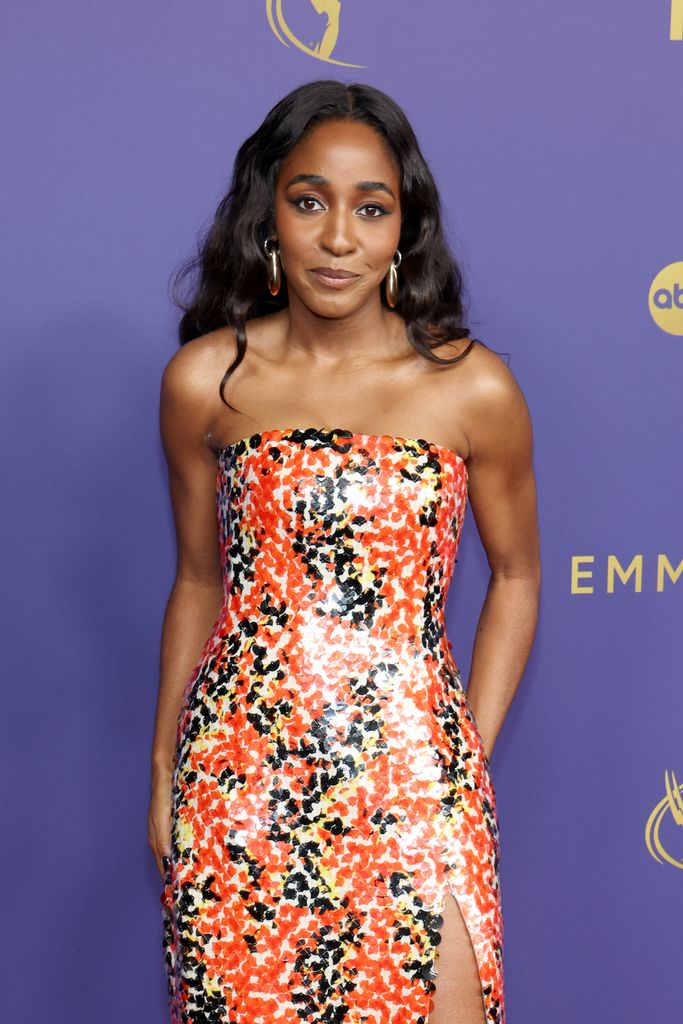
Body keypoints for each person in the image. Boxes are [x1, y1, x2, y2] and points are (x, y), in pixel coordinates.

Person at [148, 80, 540, 1024]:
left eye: (370, 209)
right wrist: (166, 768)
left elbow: (518, 578)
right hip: (240, 785)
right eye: (309, 200)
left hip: (414, 777)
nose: (337, 239)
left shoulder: (473, 388)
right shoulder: (207, 380)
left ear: (403, 227)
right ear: (267, 212)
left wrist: (462, 757)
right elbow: (199, 579)